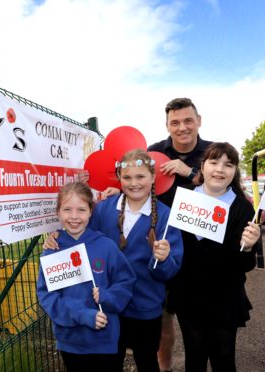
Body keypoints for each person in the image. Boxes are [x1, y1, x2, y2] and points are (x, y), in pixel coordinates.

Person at [100, 97, 212, 372]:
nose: (182, 127)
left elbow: (227, 185)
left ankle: (168, 368)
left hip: (195, 257)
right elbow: (87, 240)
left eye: (188, 120)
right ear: (167, 125)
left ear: (198, 121)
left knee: (184, 330)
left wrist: (192, 173)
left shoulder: (213, 153)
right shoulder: (153, 153)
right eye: (175, 122)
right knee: (120, 350)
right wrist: (58, 240)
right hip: (114, 303)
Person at [46, 149, 184, 371]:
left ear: (152, 177)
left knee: (147, 361)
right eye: (127, 177)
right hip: (109, 306)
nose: (134, 183)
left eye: (141, 176)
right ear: (119, 178)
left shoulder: (166, 216)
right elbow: (81, 238)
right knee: (111, 362)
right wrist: (56, 239)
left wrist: (164, 258)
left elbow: (169, 271)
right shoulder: (104, 209)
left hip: (145, 307)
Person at [169, 142, 261, 372]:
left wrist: (248, 247)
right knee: (194, 356)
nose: (220, 169)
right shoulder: (184, 199)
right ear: (202, 166)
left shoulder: (242, 208)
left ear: (235, 171)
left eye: (228, 164)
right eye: (214, 162)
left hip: (225, 298)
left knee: (224, 358)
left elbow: (246, 265)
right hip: (188, 296)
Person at [36, 182, 137, 372]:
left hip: (105, 340)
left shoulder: (106, 246)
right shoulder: (52, 250)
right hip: (70, 341)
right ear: (58, 212)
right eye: (67, 209)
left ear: (91, 211)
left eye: (81, 210)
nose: (74, 217)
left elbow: (126, 282)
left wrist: (107, 297)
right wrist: (82, 315)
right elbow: (47, 295)